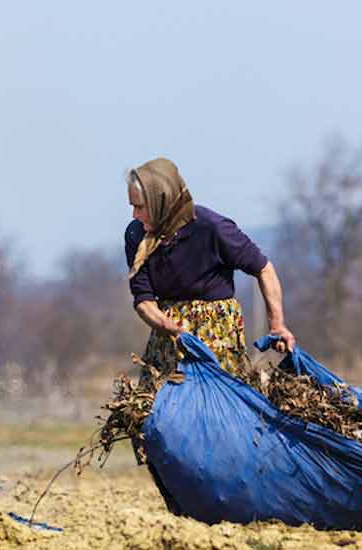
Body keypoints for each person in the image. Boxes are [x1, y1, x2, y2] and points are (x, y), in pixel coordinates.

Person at [124, 157, 295, 514]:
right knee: (144, 417)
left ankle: (232, 501)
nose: (135, 214)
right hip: (168, 331)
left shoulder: (212, 227)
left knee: (218, 423)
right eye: (132, 206)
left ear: (160, 199)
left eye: (140, 206)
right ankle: (179, 503)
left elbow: (263, 269)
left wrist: (277, 323)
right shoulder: (136, 235)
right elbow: (143, 299)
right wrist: (164, 324)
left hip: (215, 330)